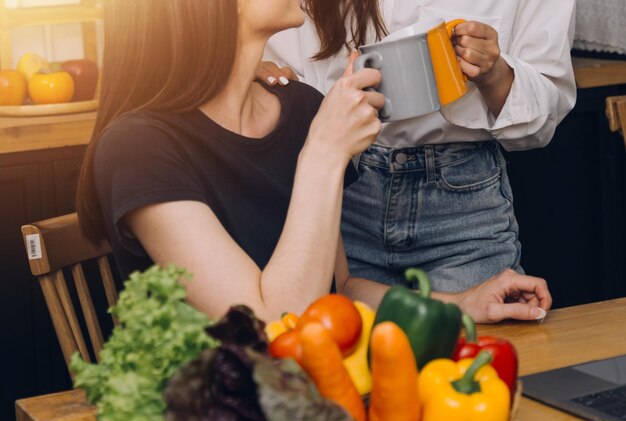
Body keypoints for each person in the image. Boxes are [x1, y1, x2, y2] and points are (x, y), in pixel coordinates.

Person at [76, 0, 551, 325]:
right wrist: (324, 153)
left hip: (304, 404)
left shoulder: (299, 106)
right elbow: (270, 327)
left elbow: (338, 295)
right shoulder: (138, 146)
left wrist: (461, 306)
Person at [261, 0, 576, 292]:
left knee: (476, 345)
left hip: (462, 206)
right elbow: (270, 59)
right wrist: (269, 83)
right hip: (340, 192)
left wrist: (494, 73)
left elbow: (544, 119)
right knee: (342, 343)